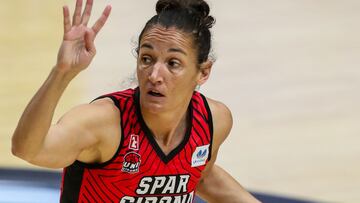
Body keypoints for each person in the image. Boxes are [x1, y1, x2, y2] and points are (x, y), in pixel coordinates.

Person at [12, 0, 261, 202]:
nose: (154, 75)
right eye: (147, 59)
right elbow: (28, 149)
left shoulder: (213, 121)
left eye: (173, 63)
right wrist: (62, 72)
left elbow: (201, 177)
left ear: (203, 72)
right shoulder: (105, 122)